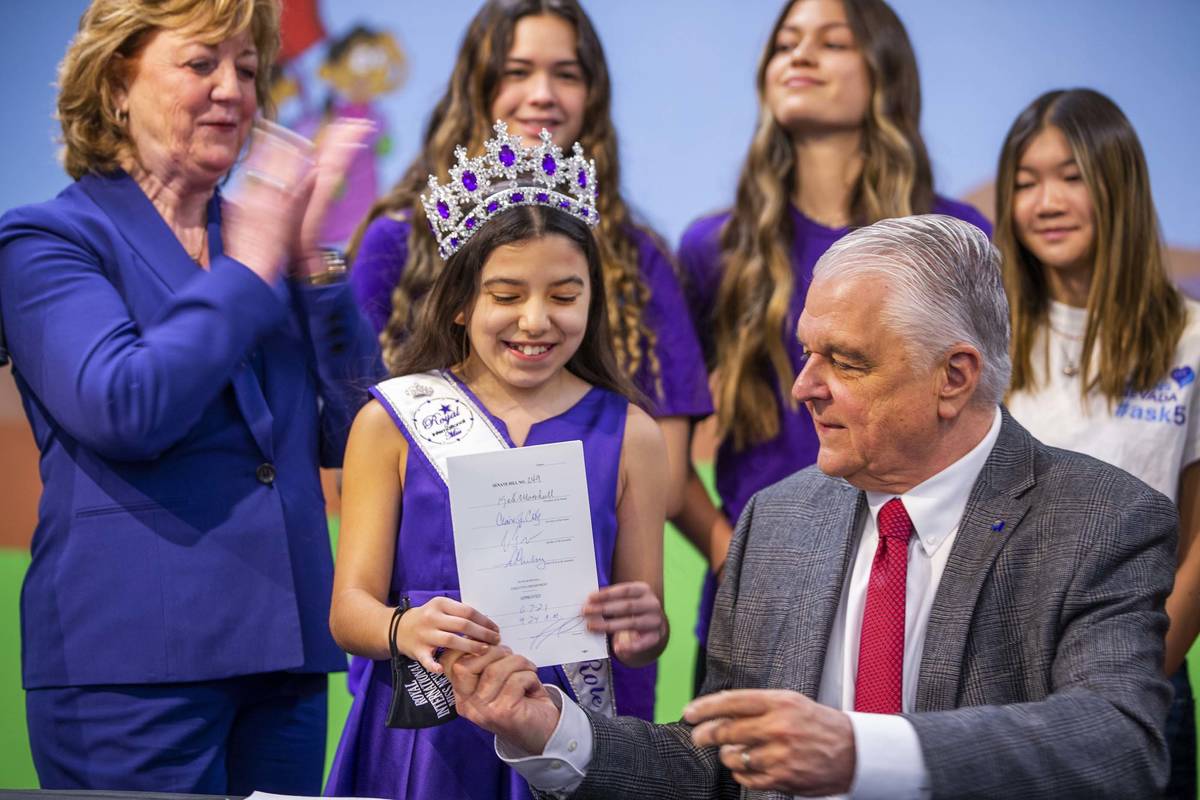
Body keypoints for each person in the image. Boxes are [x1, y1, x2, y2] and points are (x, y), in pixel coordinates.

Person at [444, 215, 1176, 800]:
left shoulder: (1098, 519)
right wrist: (555, 732)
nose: (805, 387)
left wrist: (861, 753)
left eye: (846, 361)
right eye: (806, 354)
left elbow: (1119, 741)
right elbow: (715, 767)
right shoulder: (776, 521)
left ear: (954, 377)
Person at [0, 0, 379, 793]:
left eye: (247, 68)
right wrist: (249, 271)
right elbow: (124, 405)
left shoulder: (269, 245)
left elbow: (363, 433)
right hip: (130, 673)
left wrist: (310, 263)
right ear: (115, 85)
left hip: (286, 659)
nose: (233, 91)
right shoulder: (46, 242)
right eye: (201, 62)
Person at [325, 123, 670, 800]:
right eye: (507, 296)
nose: (537, 320)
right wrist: (405, 626)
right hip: (422, 742)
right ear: (460, 302)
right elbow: (348, 611)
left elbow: (639, 627)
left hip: (561, 735)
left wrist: (645, 628)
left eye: (565, 296)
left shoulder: (632, 434)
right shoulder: (389, 423)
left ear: (593, 300)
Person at [676, 0, 993, 688]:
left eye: (832, 41)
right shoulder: (714, 248)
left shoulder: (959, 234)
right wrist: (736, 555)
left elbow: (987, 425)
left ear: (883, 71)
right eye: (786, 42)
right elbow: (661, 446)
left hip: (924, 592)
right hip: (758, 602)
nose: (800, 55)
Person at [348, 0, 711, 539]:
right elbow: (348, 451)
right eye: (517, 72)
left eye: (566, 74)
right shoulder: (397, 242)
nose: (542, 94)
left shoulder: (638, 259)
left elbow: (668, 482)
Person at [999, 88, 1200, 799]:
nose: (1046, 201)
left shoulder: (1190, 337)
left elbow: (1197, 534)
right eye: (1025, 183)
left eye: (1071, 176)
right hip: (998, 691)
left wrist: (1143, 669)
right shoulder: (988, 342)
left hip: (1142, 683)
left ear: (1119, 181)